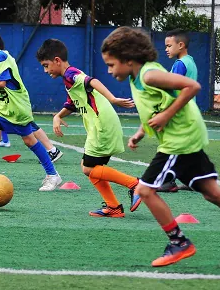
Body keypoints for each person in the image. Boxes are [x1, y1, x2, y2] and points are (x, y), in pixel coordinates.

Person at [101, 26, 220, 267]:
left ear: (129, 60)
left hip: (179, 141)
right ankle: (179, 242)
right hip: (183, 138)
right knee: (213, 194)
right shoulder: (136, 76)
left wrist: (165, 117)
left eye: (111, 65)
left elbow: (192, 87)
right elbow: (157, 105)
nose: (109, 71)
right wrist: (141, 132)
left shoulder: (150, 75)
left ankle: (179, 242)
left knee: (144, 190)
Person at [36, 39, 141, 217]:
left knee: (87, 168)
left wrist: (112, 98)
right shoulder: (68, 79)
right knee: (92, 169)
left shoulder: (71, 74)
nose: (46, 71)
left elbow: (91, 81)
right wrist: (58, 115)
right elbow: (72, 103)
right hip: (99, 126)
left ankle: (135, 184)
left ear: (57, 60)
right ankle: (113, 207)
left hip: (102, 125)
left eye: (46, 66)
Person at [0, 20, 61, 191]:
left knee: (30, 140)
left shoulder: (1, 57)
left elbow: (1, 82)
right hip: (1, 107)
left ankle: (53, 175)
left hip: (16, 108)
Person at [159, 28, 199, 192]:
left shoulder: (179, 64)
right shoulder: (190, 62)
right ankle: (195, 181)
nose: (166, 49)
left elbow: (171, 90)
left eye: (169, 46)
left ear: (181, 45)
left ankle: (168, 181)